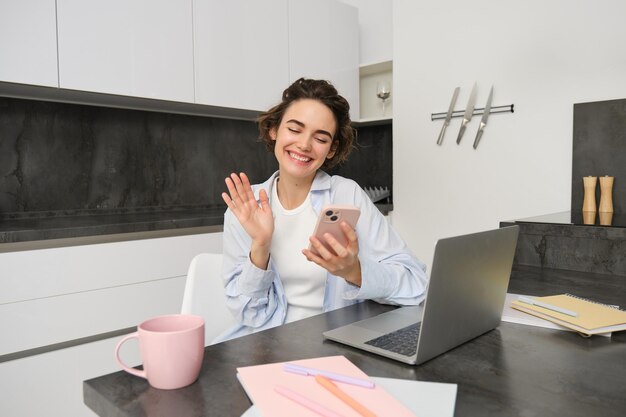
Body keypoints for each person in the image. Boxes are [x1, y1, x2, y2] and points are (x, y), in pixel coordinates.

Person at [216, 78, 427, 341]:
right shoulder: (246, 208)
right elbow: (248, 314)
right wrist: (261, 245)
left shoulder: (346, 195)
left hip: (335, 344)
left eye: (320, 138)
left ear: (331, 149)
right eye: (294, 129)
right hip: (265, 344)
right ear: (274, 130)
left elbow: (415, 284)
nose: (305, 145)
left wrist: (354, 271)